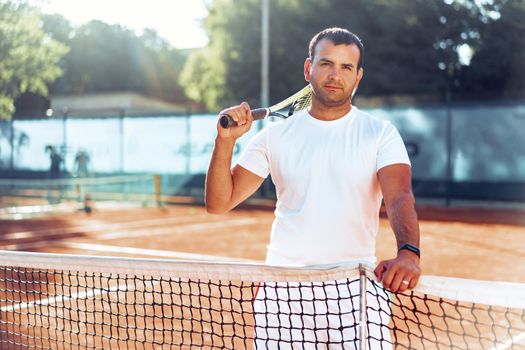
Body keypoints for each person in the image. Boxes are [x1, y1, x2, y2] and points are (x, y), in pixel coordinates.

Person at [205, 27, 421, 348]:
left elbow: (399, 196)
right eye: (326, 64)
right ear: (309, 69)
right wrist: (225, 143)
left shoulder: (380, 133)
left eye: (346, 67)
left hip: (355, 288)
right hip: (283, 291)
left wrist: (409, 252)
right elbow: (219, 202)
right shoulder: (273, 137)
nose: (336, 75)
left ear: (358, 77)